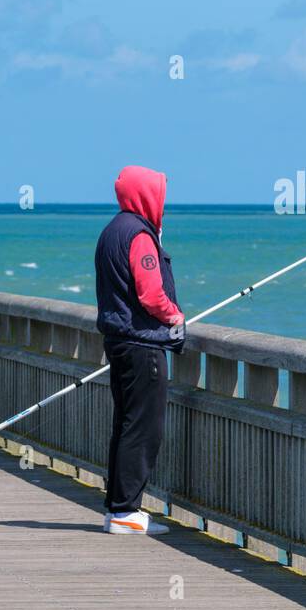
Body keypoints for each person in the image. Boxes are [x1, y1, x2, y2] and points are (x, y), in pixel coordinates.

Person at [94, 166, 185, 536]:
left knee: (125, 424)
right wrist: (175, 316)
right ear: (148, 195)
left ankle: (118, 508)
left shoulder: (112, 231)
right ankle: (127, 512)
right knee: (144, 429)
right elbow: (150, 294)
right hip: (142, 346)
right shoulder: (139, 235)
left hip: (118, 342)